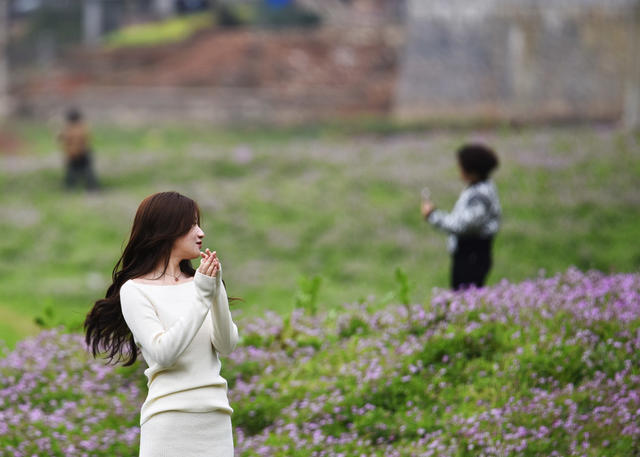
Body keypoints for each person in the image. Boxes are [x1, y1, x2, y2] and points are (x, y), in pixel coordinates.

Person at [84, 191, 239, 457]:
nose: (200, 233)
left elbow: (226, 345)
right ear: (166, 229)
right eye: (191, 225)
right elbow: (163, 354)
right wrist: (203, 296)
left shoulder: (200, 284)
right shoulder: (135, 290)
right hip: (169, 423)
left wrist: (216, 291)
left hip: (216, 420)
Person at [421, 144, 501, 290]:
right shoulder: (482, 187)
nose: (459, 170)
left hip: (472, 254)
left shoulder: (479, 196)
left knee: (465, 297)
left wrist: (432, 216)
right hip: (472, 253)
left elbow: (463, 225)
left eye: (461, 166)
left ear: (472, 170)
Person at [58, 108, 99, 190]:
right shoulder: (83, 127)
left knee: (72, 172)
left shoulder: (68, 129)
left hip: (74, 153)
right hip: (84, 152)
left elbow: (60, 138)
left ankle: (71, 188)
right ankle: (92, 187)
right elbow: (89, 138)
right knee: (87, 172)